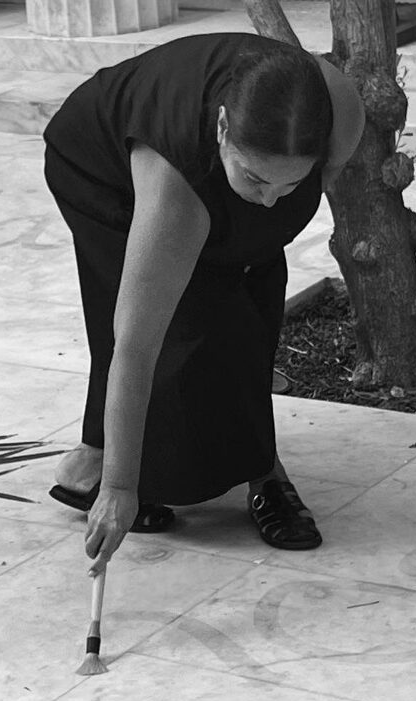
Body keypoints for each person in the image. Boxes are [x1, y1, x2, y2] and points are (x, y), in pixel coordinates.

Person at [42, 33, 365, 577]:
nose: (270, 199)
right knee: (186, 320)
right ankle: (124, 470)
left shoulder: (339, 112)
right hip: (99, 165)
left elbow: (279, 209)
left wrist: (269, 200)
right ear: (221, 129)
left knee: (254, 301)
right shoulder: (175, 187)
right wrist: (120, 490)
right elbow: (135, 348)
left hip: (214, 157)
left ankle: (257, 471)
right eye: (256, 178)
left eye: (290, 183)